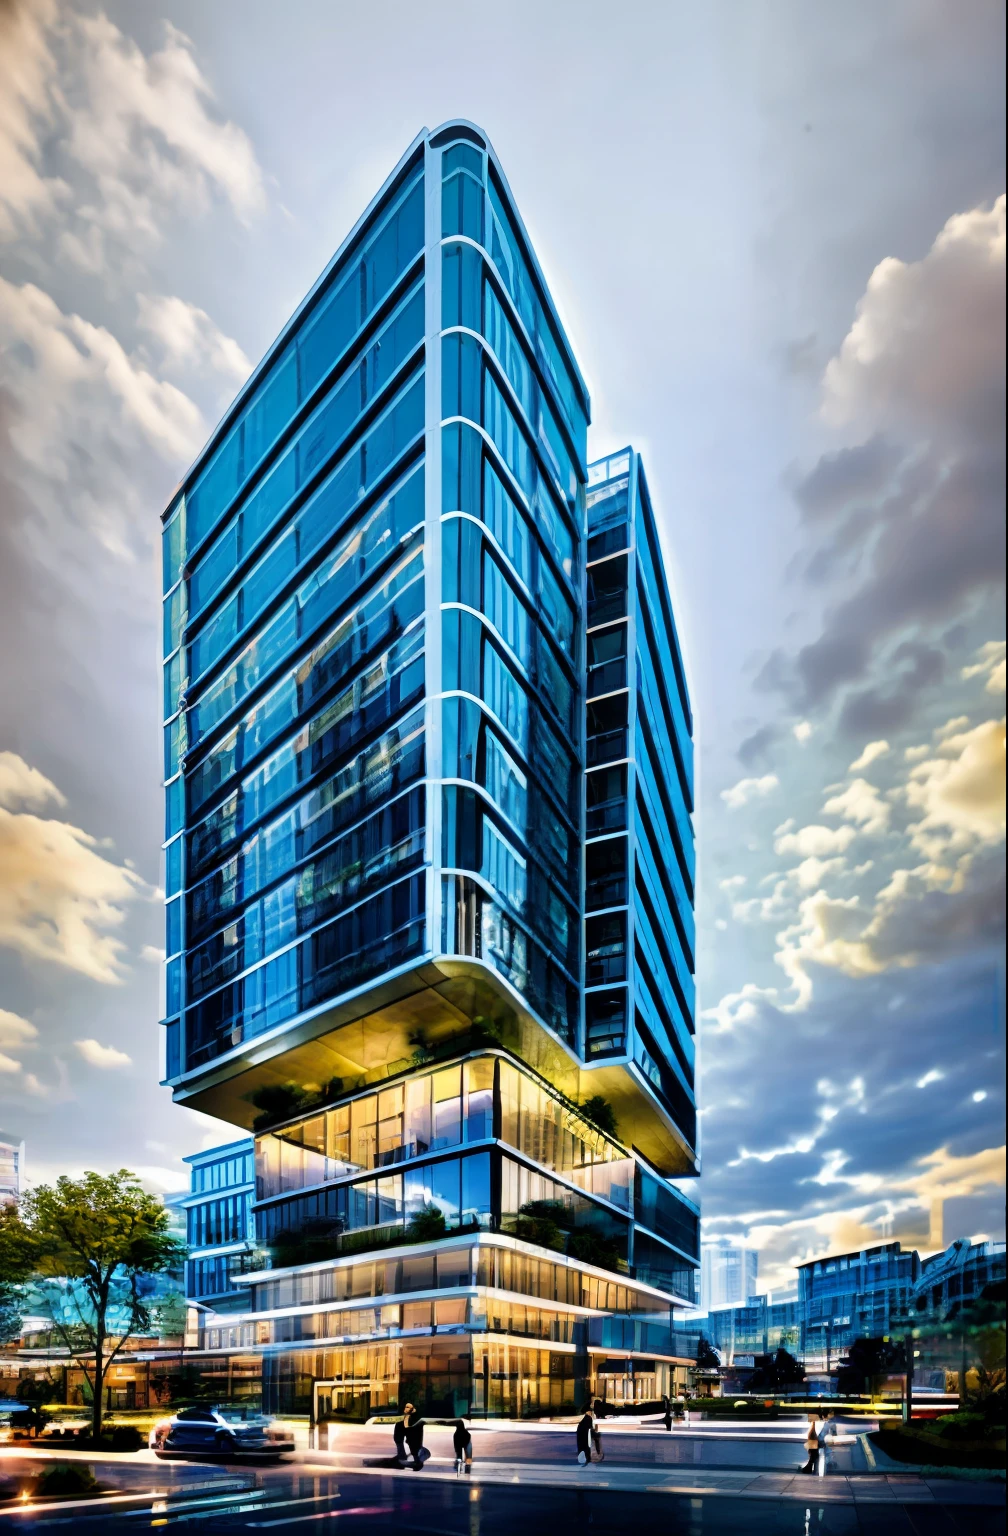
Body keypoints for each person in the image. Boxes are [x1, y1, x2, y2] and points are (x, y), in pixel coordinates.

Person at [403, 1404, 429, 1469]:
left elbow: (408, 1426)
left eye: (408, 1407)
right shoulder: (410, 1416)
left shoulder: (413, 1416)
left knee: (415, 1451)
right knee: (414, 1451)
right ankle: (417, 1463)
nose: (406, 1409)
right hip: (412, 1437)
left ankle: (417, 1464)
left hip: (414, 1437)